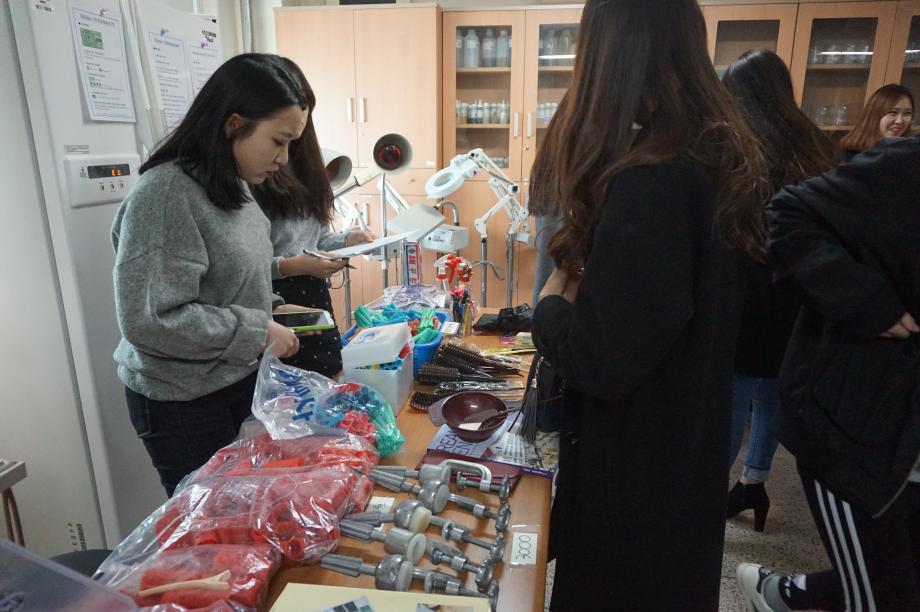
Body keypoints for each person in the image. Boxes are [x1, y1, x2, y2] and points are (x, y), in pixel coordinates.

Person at [528, 0, 769, 608]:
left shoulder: (655, 179)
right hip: (684, 452)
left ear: (609, 56)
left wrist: (551, 305)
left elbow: (598, 360)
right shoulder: (714, 156)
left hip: (635, 472)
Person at [737, 135, 920, 611]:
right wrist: (862, 299)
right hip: (859, 433)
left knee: (893, 577)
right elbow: (787, 215)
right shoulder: (904, 166)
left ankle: (781, 593)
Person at [112, 53, 307, 496]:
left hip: (235, 377)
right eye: (278, 141)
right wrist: (257, 329)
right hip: (184, 401)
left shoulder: (234, 182)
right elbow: (150, 320)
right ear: (234, 124)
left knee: (251, 506)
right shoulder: (166, 195)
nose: (283, 158)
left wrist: (271, 308)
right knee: (215, 520)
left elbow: (227, 274)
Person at [721, 49, 840, 531]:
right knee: (771, 394)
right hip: (798, 303)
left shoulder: (739, 156)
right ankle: (754, 482)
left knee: (731, 400)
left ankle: (707, 494)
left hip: (744, 299)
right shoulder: (818, 149)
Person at [252, 58, 373, 378]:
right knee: (288, 388)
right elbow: (249, 267)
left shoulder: (307, 166)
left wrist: (348, 240)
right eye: (278, 140)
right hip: (277, 297)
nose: (282, 155)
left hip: (312, 292)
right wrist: (294, 265)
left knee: (326, 376)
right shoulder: (256, 175)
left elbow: (317, 239)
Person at [839, 84, 914, 159]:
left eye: (907, 113)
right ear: (874, 114)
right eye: (893, 112)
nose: (899, 121)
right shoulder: (853, 155)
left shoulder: (910, 153)